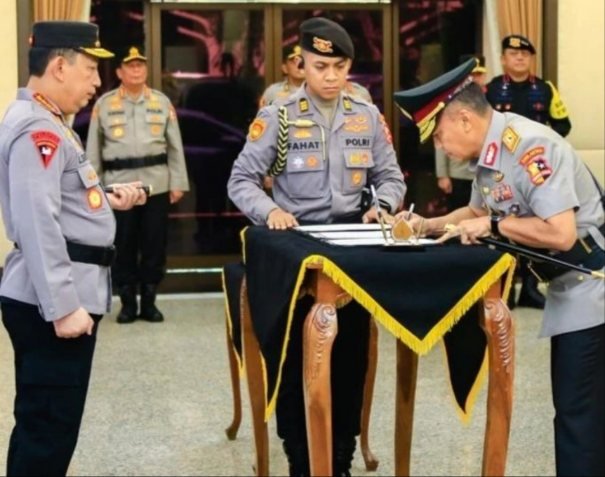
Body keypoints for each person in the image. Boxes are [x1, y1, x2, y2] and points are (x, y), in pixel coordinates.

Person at [394, 58, 604, 477]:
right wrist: (427, 224)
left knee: (578, 414)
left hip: (592, 284)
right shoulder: (493, 153)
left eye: (439, 135)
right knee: (581, 411)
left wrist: (494, 226)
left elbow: (561, 233)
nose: (439, 147)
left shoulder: (529, 148)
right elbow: (476, 211)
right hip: (568, 288)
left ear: (465, 120)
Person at [228, 17, 405, 476]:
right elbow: (241, 180)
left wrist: (382, 205)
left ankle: (341, 457)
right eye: (321, 66)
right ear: (301, 64)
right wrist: (270, 211)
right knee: (293, 362)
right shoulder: (279, 116)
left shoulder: (366, 116)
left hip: (351, 251)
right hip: (297, 248)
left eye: (339, 67)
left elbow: (391, 177)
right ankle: (300, 459)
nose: (331, 76)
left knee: (349, 359)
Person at [0, 21, 147, 476]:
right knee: (47, 431)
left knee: (47, 425)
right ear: (60, 67)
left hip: (62, 291)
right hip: (52, 301)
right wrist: (63, 307)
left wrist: (103, 198)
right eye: (90, 69)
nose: (97, 82)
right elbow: (37, 222)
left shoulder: (50, 123)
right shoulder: (38, 130)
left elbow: (58, 200)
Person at [86, 46, 190, 324]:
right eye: (130, 66)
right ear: (119, 72)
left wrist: (178, 182)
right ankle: (128, 302)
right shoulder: (104, 104)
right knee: (123, 244)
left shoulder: (161, 102)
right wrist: (93, 188)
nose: (136, 70)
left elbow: (175, 146)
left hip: (156, 185)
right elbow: (93, 149)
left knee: (154, 244)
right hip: (118, 188)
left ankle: (150, 301)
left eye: (140, 65)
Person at [485, 34, 573, 309]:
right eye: (513, 54)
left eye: (525, 54)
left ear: (531, 59)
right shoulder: (491, 89)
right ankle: (506, 289)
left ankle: (531, 288)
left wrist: (544, 144)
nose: (520, 58)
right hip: (502, 168)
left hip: (535, 168)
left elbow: (563, 124)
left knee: (535, 227)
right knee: (504, 227)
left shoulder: (545, 89)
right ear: (503, 59)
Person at [435, 54, 486, 212]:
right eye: (471, 75)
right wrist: (442, 174)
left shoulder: (490, 101)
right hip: (458, 173)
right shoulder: (450, 103)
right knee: (457, 217)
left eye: (479, 74)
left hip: (485, 174)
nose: (475, 79)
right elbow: (440, 140)